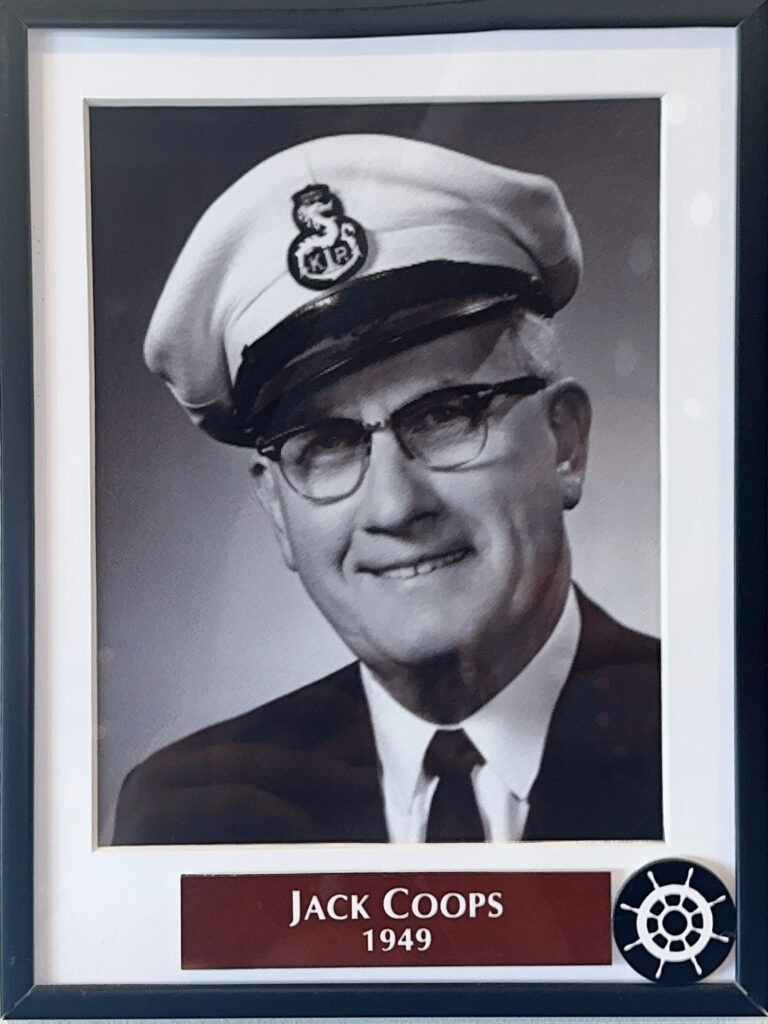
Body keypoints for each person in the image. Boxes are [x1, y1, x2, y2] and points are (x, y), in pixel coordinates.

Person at [112, 133, 661, 845]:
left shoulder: (720, 738)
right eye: (326, 446)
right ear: (276, 511)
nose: (396, 507)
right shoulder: (193, 818)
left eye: (445, 415)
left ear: (565, 442)